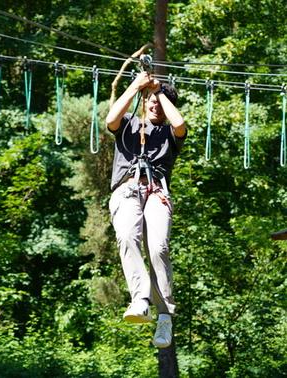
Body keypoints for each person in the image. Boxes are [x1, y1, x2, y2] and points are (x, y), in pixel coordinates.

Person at [106, 71, 187, 348]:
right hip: (127, 189)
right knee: (128, 236)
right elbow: (110, 120)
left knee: (158, 247)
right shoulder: (129, 124)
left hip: (157, 191)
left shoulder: (170, 134)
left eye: (159, 103)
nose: (154, 105)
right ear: (144, 102)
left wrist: (159, 91)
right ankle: (140, 299)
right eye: (150, 101)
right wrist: (137, 86)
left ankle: (165, 315)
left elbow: (180, 123)